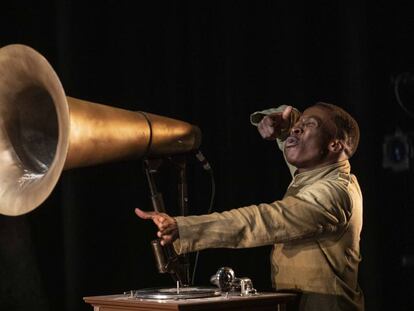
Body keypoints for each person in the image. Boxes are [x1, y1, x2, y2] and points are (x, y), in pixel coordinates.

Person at [135, 102, 364, 311]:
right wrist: (284, 123)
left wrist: (184, 228)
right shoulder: (316, 173)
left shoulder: (334, 193)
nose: (297, 129)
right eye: (298, 124)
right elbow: (295, 129)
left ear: (334, 145)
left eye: (309, 126)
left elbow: (264, 221)